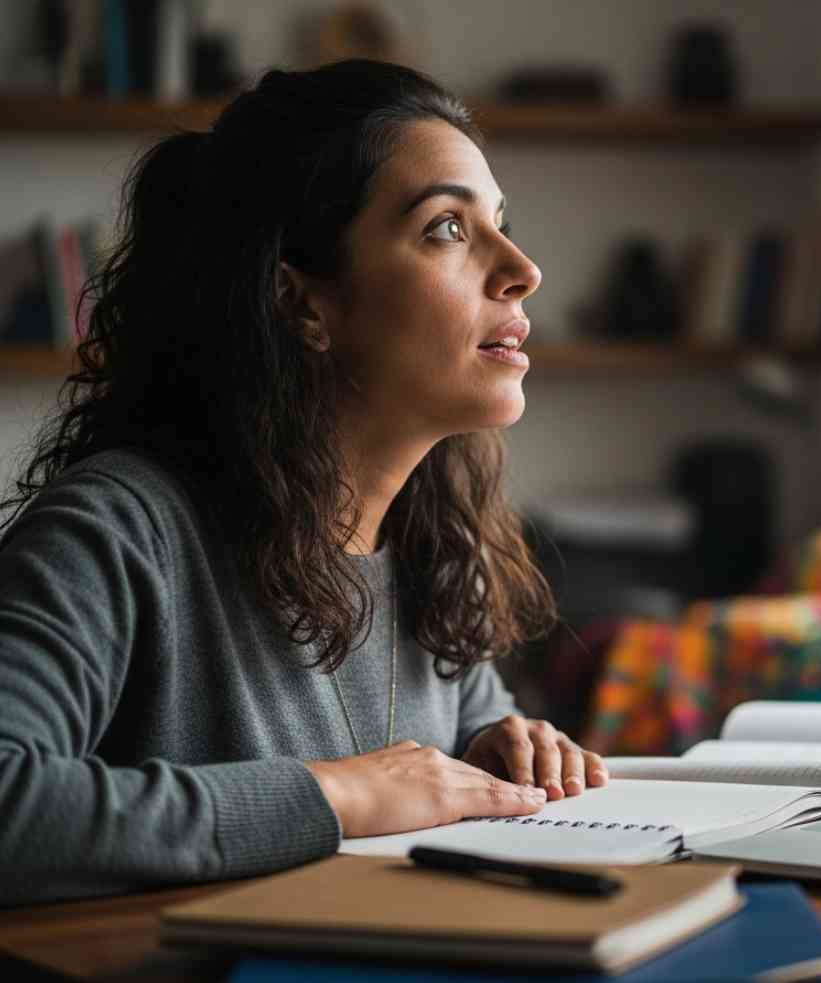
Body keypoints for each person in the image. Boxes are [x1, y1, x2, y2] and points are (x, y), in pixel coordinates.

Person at [0, 60, 609, 907]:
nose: (521, 268)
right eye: (446, 228)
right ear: (301, 302)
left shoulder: (433, 553)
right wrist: (340, 796)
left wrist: (502, 750)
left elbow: (444, 762)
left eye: (500, 222)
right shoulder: (116, 533)